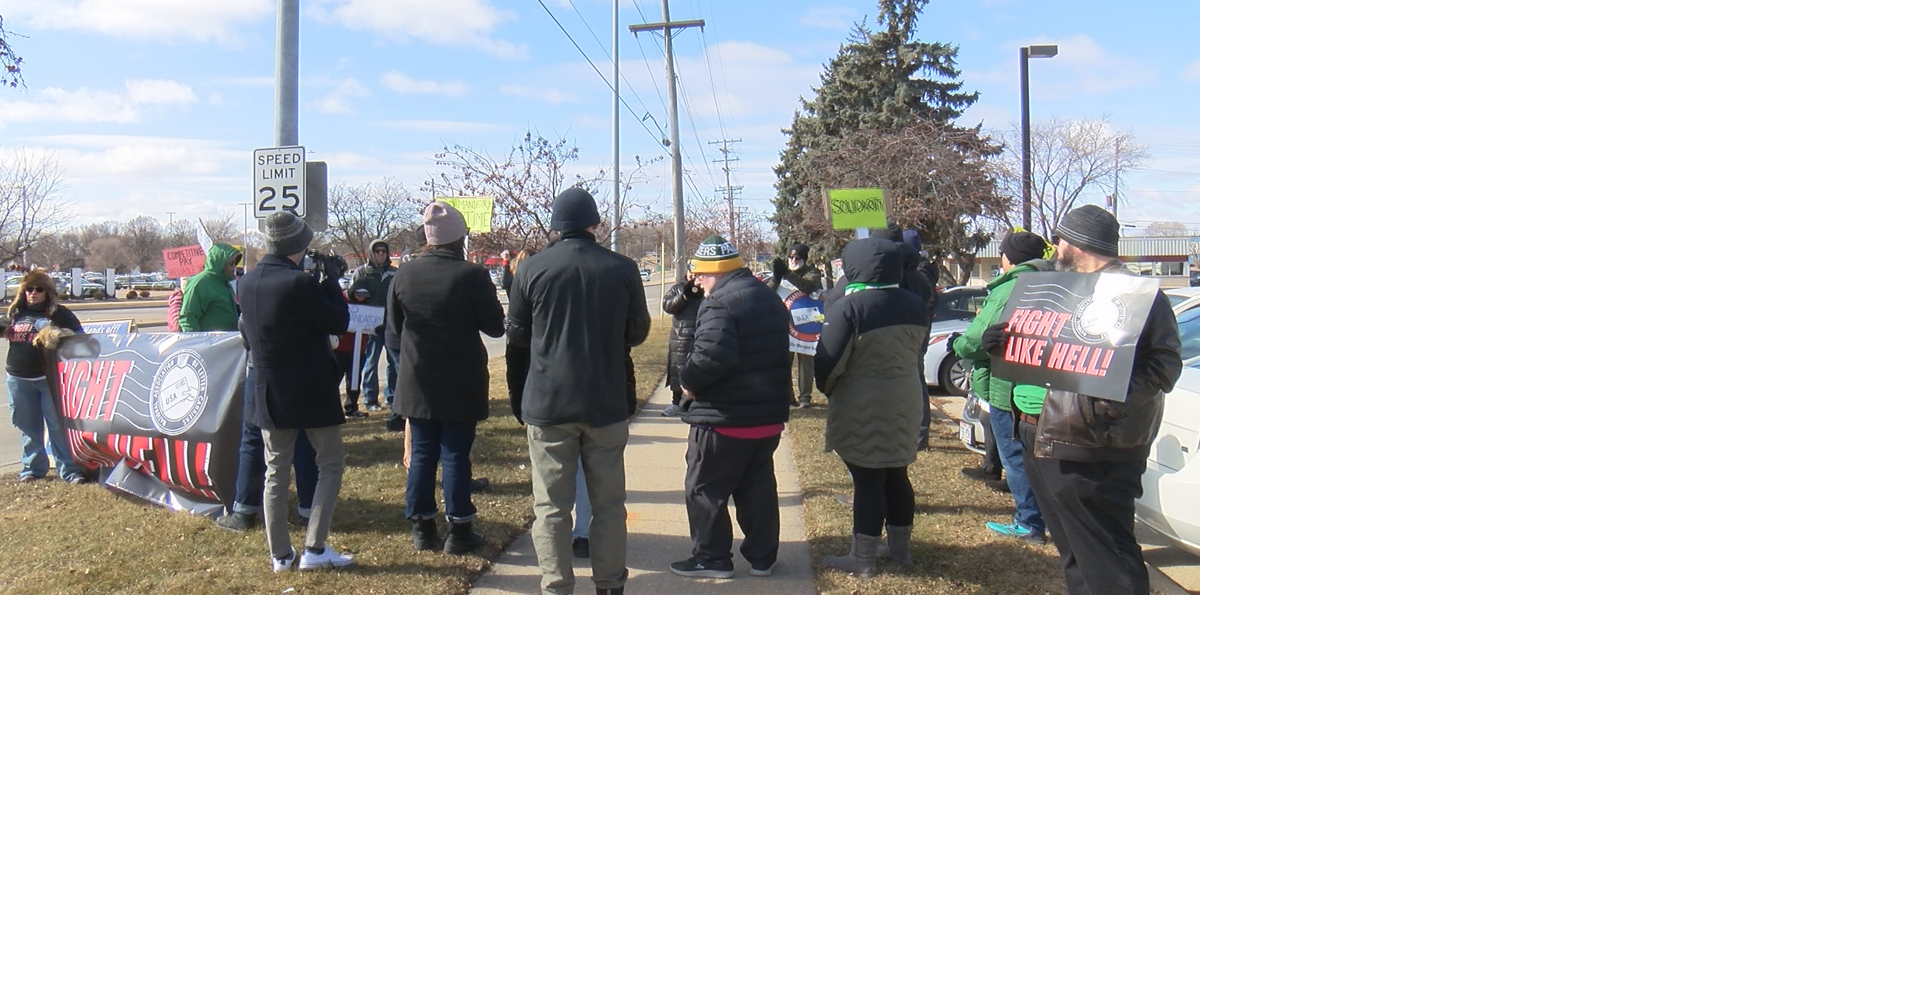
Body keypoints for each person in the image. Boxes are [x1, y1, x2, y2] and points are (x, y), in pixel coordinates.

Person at [993, 205, 1182, 595]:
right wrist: (1001, 344)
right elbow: (1049, 352)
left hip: (1094, 445)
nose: (1055, 248)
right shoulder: (1062, 287)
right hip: (1039, 435)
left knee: (1107, 556)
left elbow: (1164, 365)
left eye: (1060, 239)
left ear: (1078, 243)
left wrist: (1103, 405)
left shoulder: (1135, 295)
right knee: (1074, 552)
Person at [505, 187, 649, 595]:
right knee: (608, 505)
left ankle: (556, 586)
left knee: (551, 507)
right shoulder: (623, 268)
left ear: (555, 227)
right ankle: (609, 584)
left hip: (549, 402)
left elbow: (517, 335)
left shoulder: (531, 269)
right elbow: (637, 333)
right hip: (605, 401)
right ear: (595, 224)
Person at [238, 210, 355, 573]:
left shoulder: (246, 283)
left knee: (275, 470)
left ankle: (280, 555)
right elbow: (338, 321)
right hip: (310, 387)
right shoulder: (300, 284)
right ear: (297, 245)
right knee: (330, 463)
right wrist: (331, 283)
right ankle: (315, 547)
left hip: (268, 389)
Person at [388, 202, 506, 556]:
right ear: (459, 238)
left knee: (422, 452)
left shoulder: (404, 274)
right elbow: (495, 327)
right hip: (460, 377)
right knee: (455, 452)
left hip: (417, 377)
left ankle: (422, 527)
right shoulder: (472, 275)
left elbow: (393, 332)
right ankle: (460, 528)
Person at [672, 234, 791, 579]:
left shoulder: (720, 303)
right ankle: (763, 557)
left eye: (699, 274)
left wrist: (687, 383)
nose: (696, 282)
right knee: (758, 488)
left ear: (716, 271)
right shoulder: (768, 297)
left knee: (704, 488)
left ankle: (711, 558)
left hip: (724, 418)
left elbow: (711, 355)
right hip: (766, 416)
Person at [812, 236, 928, 577]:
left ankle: (862, 559)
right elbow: (918, 352)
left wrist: (827, 389)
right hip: (906, 399)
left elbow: (829, 363)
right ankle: (901, 551)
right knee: (897, 473)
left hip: (862, 403)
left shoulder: (849, 307)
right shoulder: (915, 303)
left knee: (868, 479)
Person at [951, 229, 1053, 545]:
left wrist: (960, 345)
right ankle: (1051, 519)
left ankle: (1029, 523)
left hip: (1007, 387)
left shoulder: (1009, 288)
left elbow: (976, 340)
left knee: (1015, 457)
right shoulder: (1056, 284)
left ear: (1008, 258)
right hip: (1047, 389)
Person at [4, 269, 89, 483]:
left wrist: (59, 336)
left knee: (58, 426)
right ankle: (32, 469)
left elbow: (80, 338)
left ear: (47, 292)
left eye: (38, 289)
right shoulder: (16, 312)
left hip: (49, 378)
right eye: (28, 289)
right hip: (18, 377)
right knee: (27, 426)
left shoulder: (59, 313)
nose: (33, 293)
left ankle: (70, 471)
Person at [347, 241, 399, 419]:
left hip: (391, 323)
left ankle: (391, 397)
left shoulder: (394, 273)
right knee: (371, 361)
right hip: (370, 324)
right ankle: (370, 399)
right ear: (371, 253)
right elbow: (352, 294)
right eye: (377, 251)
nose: (381, 254)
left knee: (394, 362)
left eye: (384, 251)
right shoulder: (362, 272)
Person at [769, 243, 824, 408]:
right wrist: (776, 278)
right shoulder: (783, 275)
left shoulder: (812, 273)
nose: (793, 260)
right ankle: (788, 396)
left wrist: (787, 274)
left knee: (806, 361)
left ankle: (805, 397)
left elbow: (807, 287)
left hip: (806, 324)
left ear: (804, 259)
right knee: (785, 361)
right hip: (786, 324)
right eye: (790, 257)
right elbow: (767, 293)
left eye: (797, 257)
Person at [661, 262, 701, 417]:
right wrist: (683, 296)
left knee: (698, 369)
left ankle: (693, 404)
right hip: (680, 336)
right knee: (678, 370)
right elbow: (667, 305)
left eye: (697, 274)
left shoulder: (705, 289)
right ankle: (676, 403)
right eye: (692, 273)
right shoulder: (678, 288)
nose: (694, 277)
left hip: (699, 334)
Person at [178, 243, 242, 333]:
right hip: (208, 340)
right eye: (231, 264)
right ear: (220, 263)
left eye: (235, 263)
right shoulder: (200, 283)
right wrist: (196, 340)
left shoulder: (225, 282)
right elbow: (188, 317)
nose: (234, 267)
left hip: (227, 339)